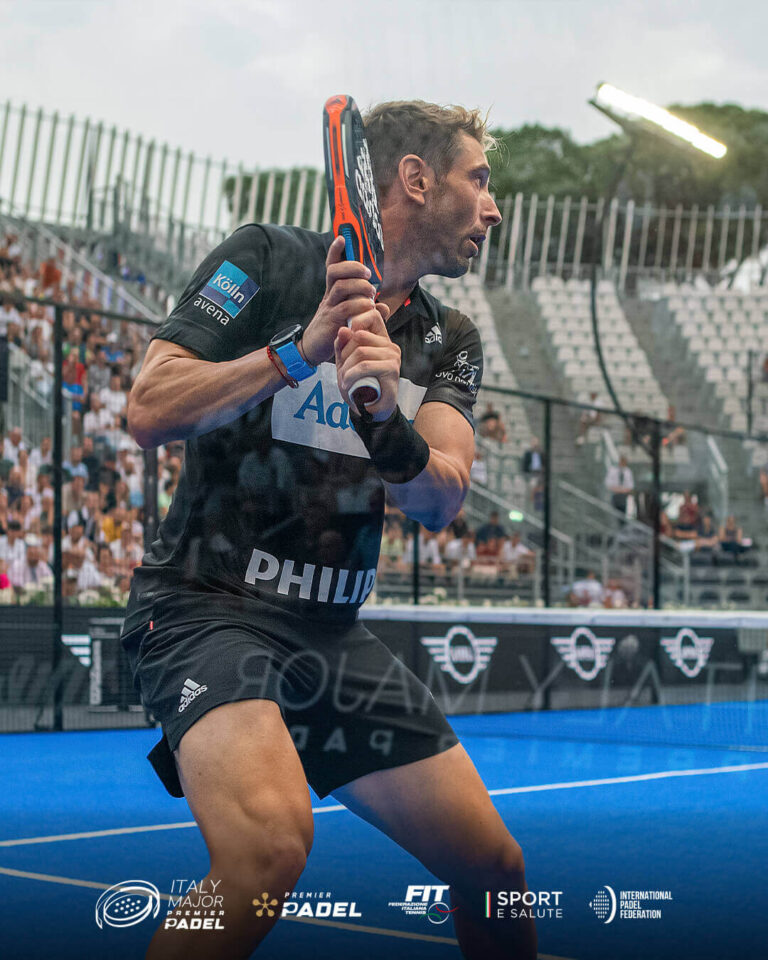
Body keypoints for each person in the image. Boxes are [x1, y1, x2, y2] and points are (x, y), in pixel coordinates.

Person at [120, 100, 535, 960]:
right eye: (480, 179)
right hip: (206, 610)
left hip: (330, 636)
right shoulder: (265, 259)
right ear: (415, 179)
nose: (493, 208)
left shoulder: (449, 337)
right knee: (266, 849)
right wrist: (296, 352)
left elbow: (441, 498)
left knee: (493, 869)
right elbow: (149, 408)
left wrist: (383, 417)